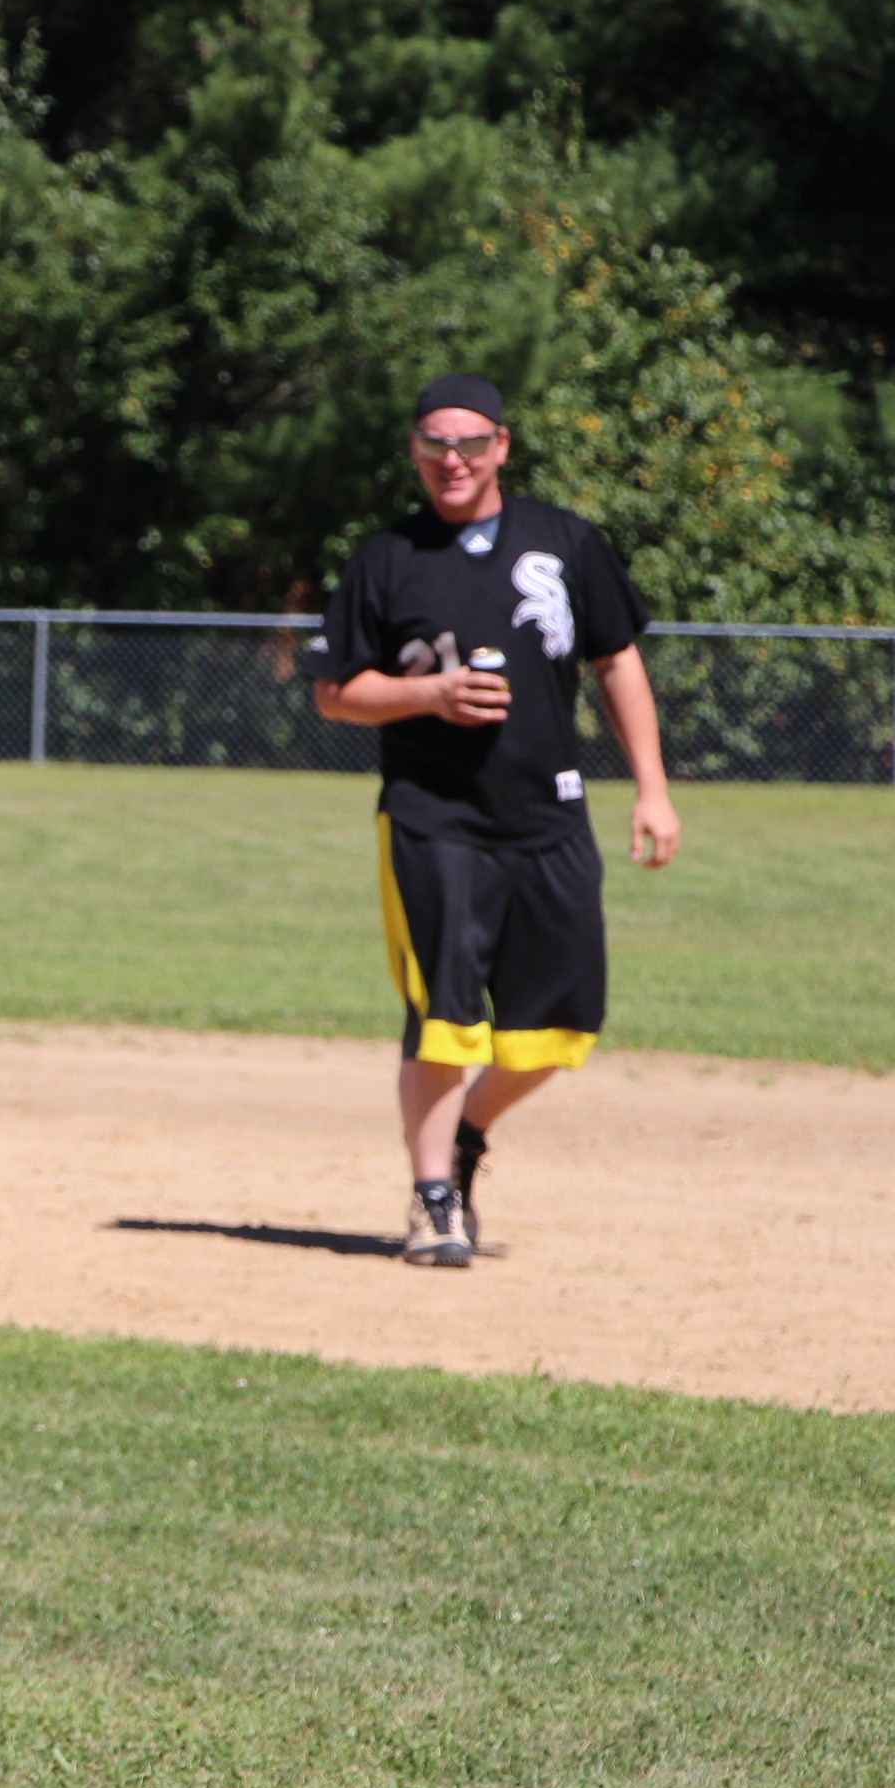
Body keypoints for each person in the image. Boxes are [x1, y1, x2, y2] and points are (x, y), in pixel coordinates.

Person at [314, 374, 682, 1266]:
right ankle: (434, 1199)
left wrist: (653, 788)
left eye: (471, 442)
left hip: (550, 816)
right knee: (443, 1016)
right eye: (435, 442)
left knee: (561, 1026)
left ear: (502, 447)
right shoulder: (387, 559)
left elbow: (617, 661)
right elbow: (335, 693)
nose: (453, 459)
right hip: (432, 818)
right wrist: (429, 695)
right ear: (414, 450)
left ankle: (467, 1134)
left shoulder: (566, 542)